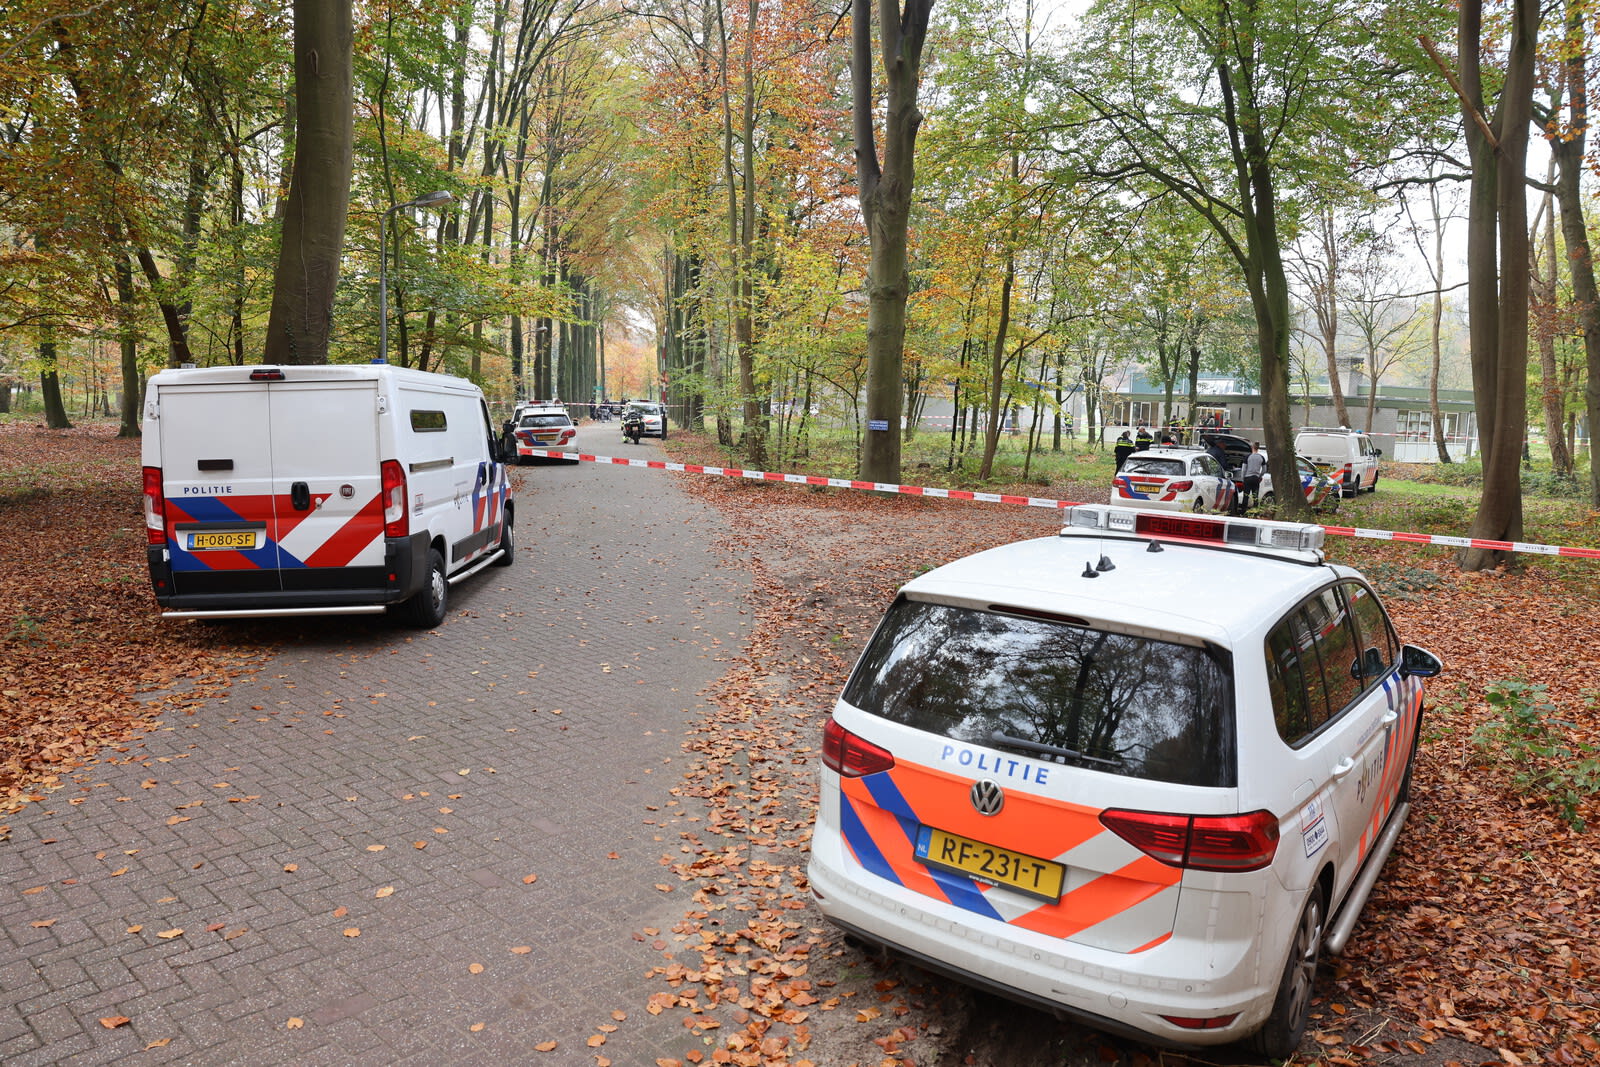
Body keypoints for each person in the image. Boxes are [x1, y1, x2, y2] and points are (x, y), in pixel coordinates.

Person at [1241, 441, 1268, 509]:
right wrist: (1260, 476)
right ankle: (1255, 511)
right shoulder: (1261, 457)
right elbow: (1264, 469)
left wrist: (1242, 478)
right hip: (1256, 478)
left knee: (1246, 496)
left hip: (1247, 478)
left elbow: (1243, 469)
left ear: (1252, 447)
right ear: (1258, 448)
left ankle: (1243, 511)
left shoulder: (1247, 457)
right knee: (1255, 496)